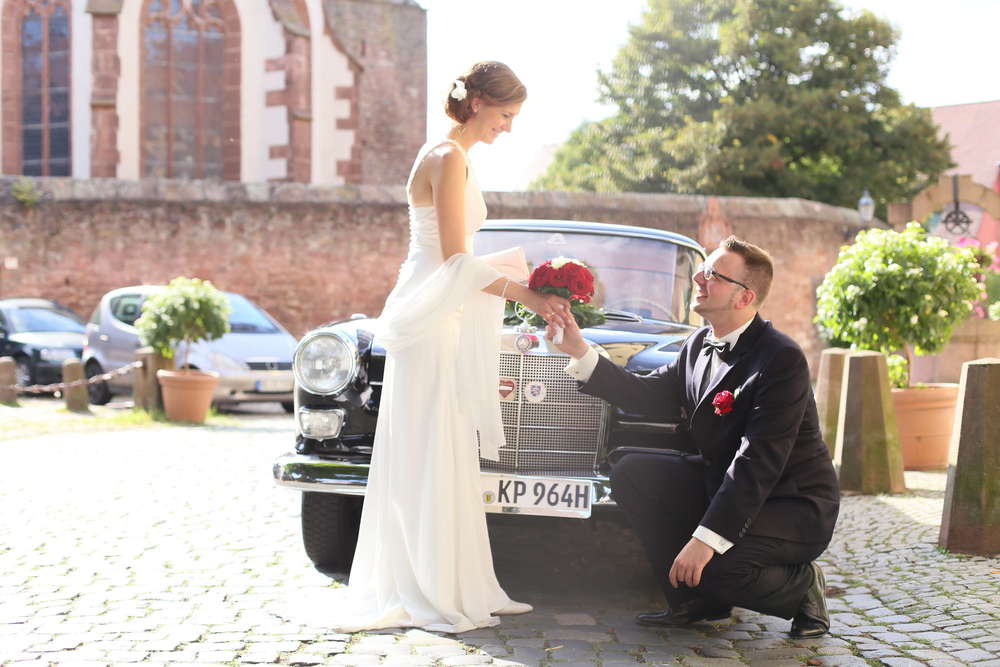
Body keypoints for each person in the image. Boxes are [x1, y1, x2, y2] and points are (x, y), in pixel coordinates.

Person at [329, 62, 571, 633]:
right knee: (427, 445)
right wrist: (527, 296)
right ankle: (428, 586)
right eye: (506, 116)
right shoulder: (447, 157)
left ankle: (463, 581)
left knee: (445, 442)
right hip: (431, 315)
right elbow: (455, 261)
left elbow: (455, 258)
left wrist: (513, 278)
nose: (508, 128)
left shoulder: (448, 155)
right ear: (480, 101)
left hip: (442, 309)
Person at [546, 236, 840, 638]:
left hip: (790, 505)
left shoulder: (780, 358)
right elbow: (644, 395)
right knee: (634, 470)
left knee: (716, 570)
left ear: (744, 297)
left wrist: (705, 540)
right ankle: (694, 601)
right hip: (724, 485)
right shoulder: (698, 345)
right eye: (704, 271)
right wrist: (579, 349)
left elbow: (758, 461)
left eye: (714, 275)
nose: (700, 278)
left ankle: (803, 588)